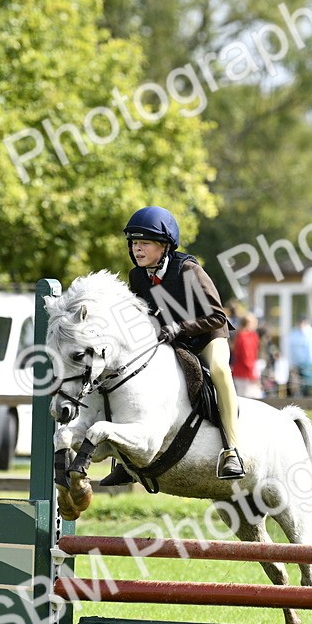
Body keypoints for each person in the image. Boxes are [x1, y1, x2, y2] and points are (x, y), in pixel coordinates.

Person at [115, 205, 244, 481]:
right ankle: (124, 455)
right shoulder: (136, 276)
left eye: (145, 243)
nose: (137, 249)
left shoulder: (187, 269)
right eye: (134, 243)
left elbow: (217, 315)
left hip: (207, 334)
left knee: (220, 371)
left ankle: (232, 451)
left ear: (164, 246)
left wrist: (180, 327)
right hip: (174, 338)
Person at [287, 317, 312, 397]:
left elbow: (311, 350)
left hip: (309, 364)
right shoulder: (294, 333)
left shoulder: (310, 333)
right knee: (298, 384)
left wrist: (310, 363)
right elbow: (291, 349)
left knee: (310, 384)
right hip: (297, 363)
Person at [230, 312, 263, 399]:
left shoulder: (241, 335)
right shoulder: (245, 337)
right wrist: (253, 376)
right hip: (245, 374)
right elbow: (247, 357)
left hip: (242, 373)